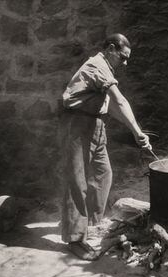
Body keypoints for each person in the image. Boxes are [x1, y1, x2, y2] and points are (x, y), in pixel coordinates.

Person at [61, 33, 151, 261]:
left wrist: (134, 131)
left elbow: (111, 108)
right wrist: (138, 132)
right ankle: (75, 239)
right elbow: (120, 101)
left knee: (103, 175)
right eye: (123, 57)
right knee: (77, 182)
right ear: (111, 48)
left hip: (95, 125)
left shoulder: (106, 70)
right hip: (78, 125)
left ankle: (88, 222)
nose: (125, 62)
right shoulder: (96, 65)